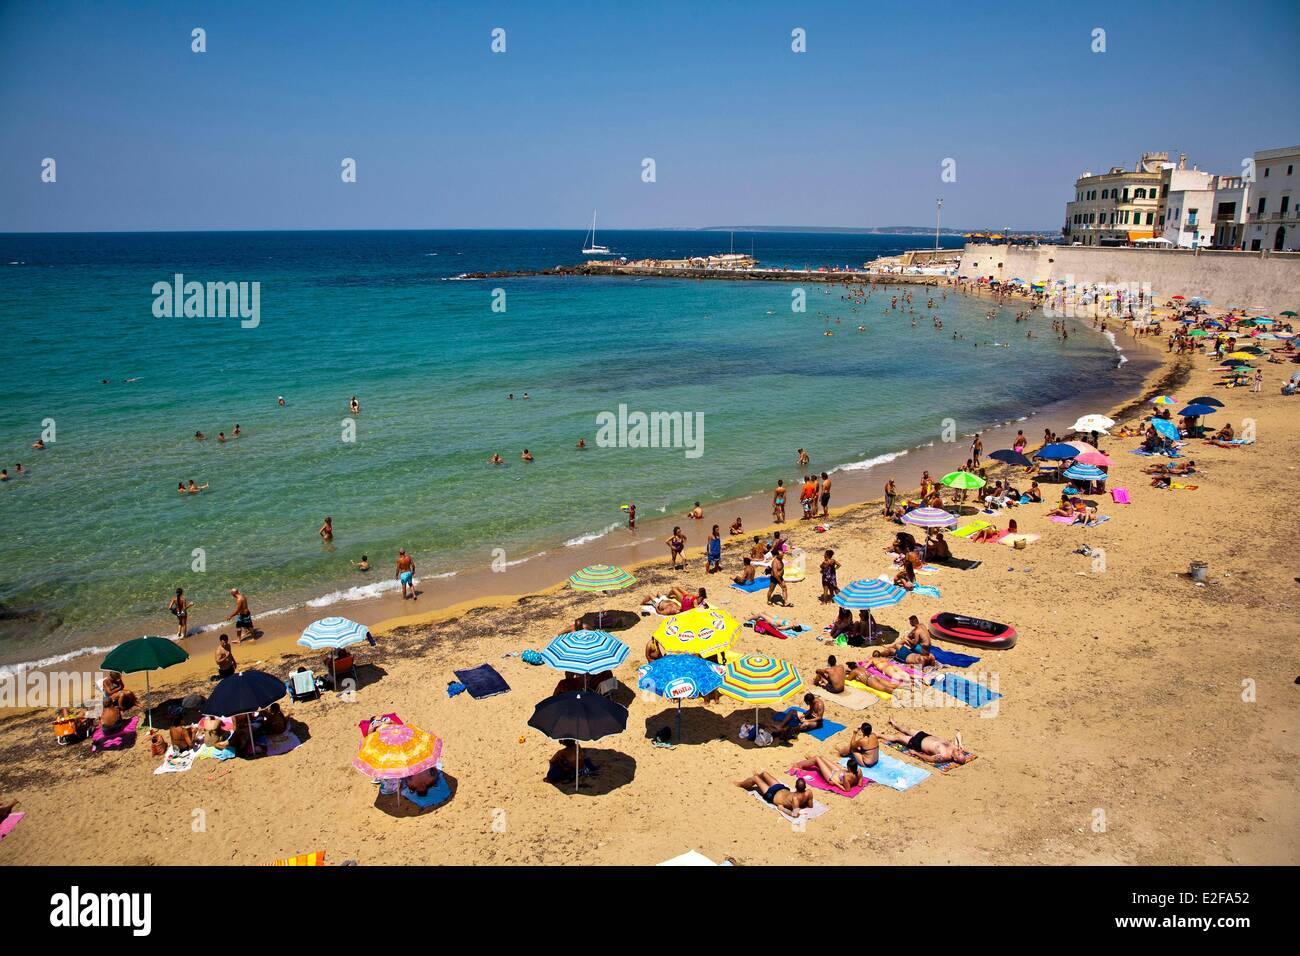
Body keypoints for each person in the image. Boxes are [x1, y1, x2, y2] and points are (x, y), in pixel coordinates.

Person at [878, 718, 973, 765]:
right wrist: (960, 743)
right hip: (925, 735)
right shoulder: (956, 748)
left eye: (960, 755)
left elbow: (929, 759)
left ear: (955, 759)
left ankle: (879, 735)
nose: (960, 752)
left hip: (918, 744)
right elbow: (958, 734)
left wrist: (915, 753)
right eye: (962, 753)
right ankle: (895, 723)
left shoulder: (944, 756)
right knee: (907, 729)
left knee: (898, 738)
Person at [734, 770, 812, 819]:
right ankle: (759, 777)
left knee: (755, 779)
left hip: (772, 795)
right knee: (764, 773)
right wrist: (803, 801)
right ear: (805, 786)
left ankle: (740, 784)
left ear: (795, 786)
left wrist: (782, 809)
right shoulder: (809, 792)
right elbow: (810, 805)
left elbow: (795, 815)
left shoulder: (795, 799)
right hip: (781, 788)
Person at [791, 754, 862, 792]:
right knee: (821, 757)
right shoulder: (859, 771)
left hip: (831, 777)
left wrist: (835, 783)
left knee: (816, 759)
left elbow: (847, 789)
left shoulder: (846, 777)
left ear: (849, 768)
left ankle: (798, 765)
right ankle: (811, 760)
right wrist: (856, 782)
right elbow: (859, 784)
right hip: (838, 771)